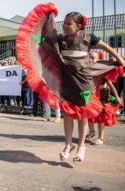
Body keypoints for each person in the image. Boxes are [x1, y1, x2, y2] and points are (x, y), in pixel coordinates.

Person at [16, 3, 125, 162]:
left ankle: (81, 146)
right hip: (67, 81)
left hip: (84, 82)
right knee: (67, 113)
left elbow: (106, 46)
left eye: (69, 24)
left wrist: (119, 59)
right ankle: (68, 144)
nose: (65, 26)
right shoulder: (60, 39)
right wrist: (36, 29)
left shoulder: (88, 36)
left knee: (82, 114)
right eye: (64, 23)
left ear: (79, 26)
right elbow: (43, 40)